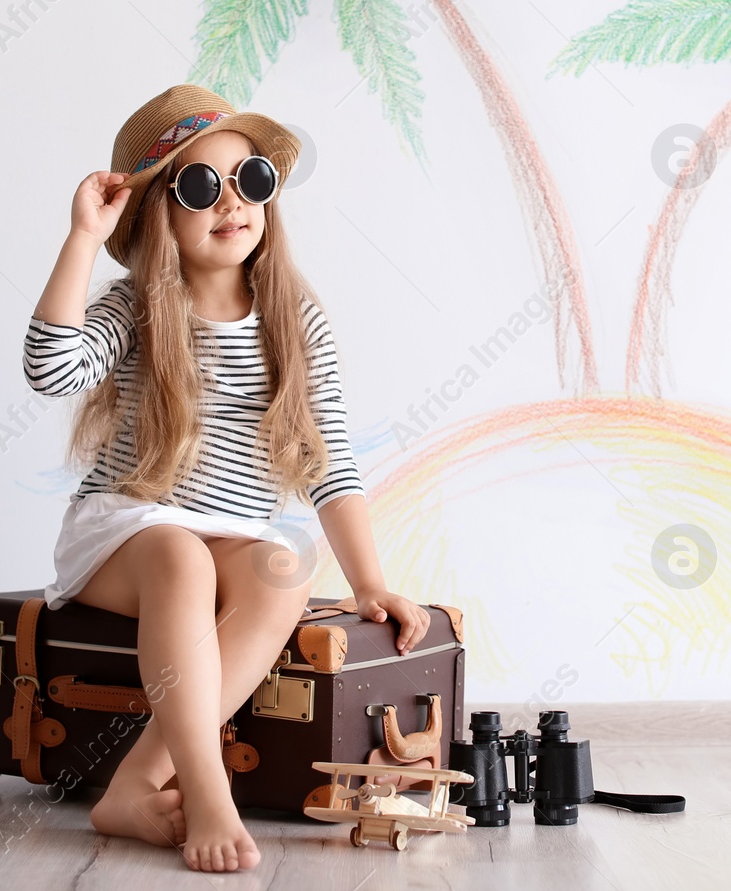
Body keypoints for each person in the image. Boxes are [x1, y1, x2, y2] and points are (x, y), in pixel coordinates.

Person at [22, 85, 430, 873]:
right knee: (179, 554)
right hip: (129, 526)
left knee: (287, 565)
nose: (232, 202)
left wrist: (370, 581)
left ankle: (134, 784)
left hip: (234, 531)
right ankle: (209, 795)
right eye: (200, 187)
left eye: (250, 180)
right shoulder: (138, 306)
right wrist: (81, 237)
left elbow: (328, 459)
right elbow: (50, 368)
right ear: (156, 218)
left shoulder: (294, 317)